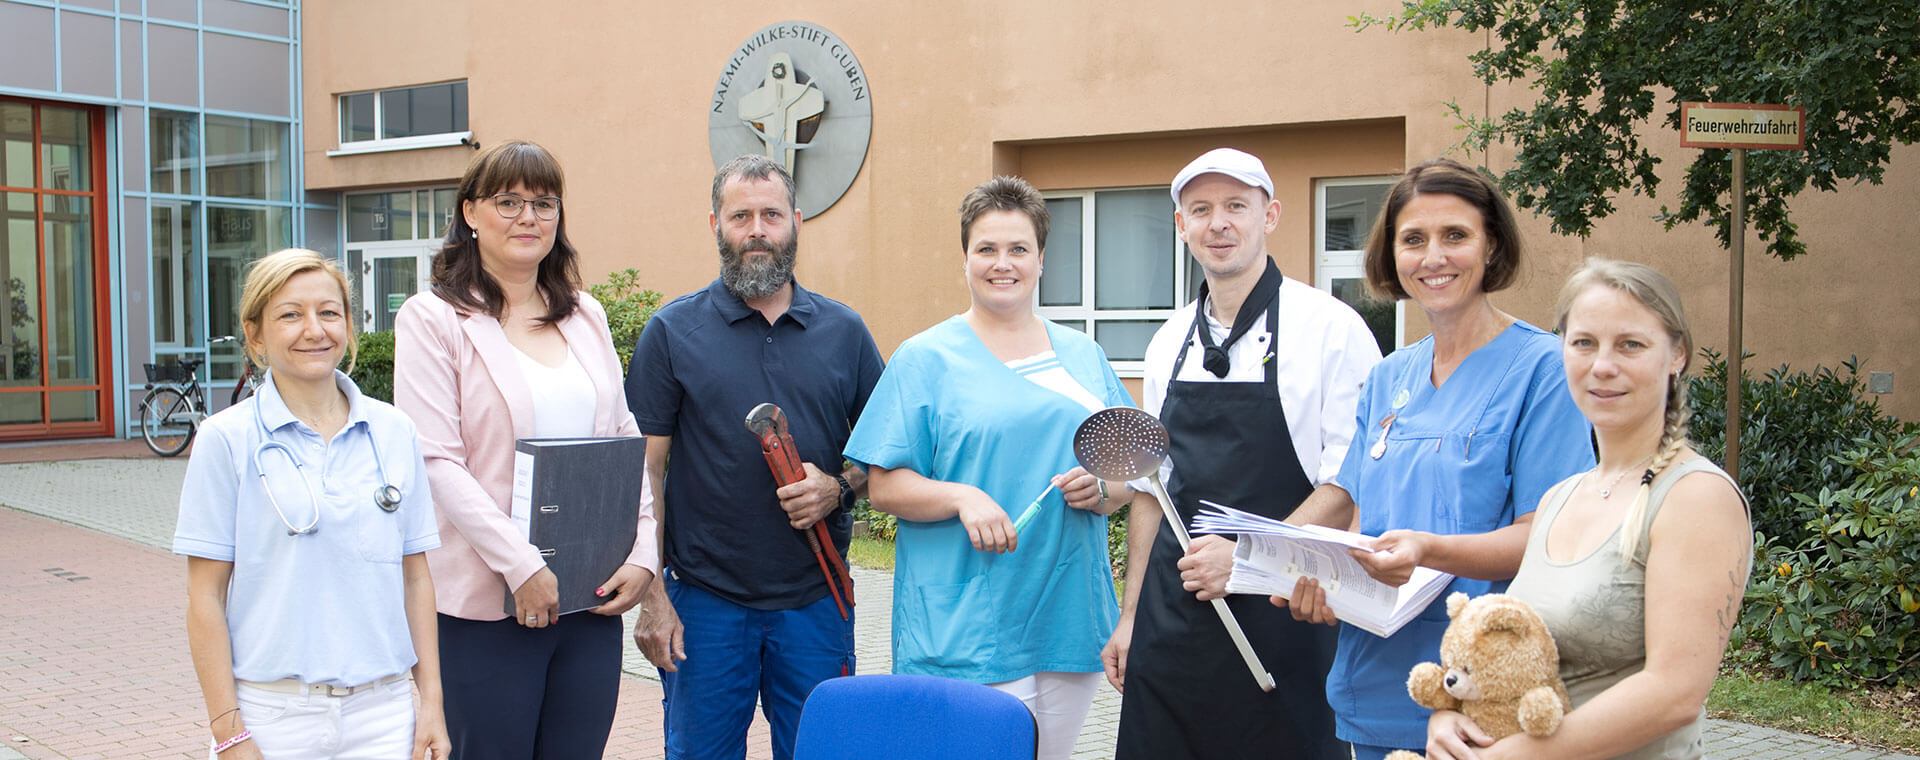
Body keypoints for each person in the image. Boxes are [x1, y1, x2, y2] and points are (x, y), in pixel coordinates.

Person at [1273, 157, 1596, 759]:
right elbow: (1363, 524)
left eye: (1456, 236)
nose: (1433, 257)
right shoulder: (1388, 377)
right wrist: (1324, 580)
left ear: (1491, 245)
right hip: (1374, 679)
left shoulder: (1544, 371)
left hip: (1484, 691)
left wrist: (1427, 549)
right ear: (1392, 255)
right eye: (1413, 240)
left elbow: (1547, 540)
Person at [843, 176, 1136, 760]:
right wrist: (960, 497)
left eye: (1018, 249)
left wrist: (1104, 487)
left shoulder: (1083, 356)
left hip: (1065, 612)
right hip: (965, 623)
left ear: (1042, 259)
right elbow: (882, 485)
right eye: (987, 249)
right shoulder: (925, 358)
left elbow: (1131, 473)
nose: (1003, 264)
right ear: (965, 259)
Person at [1104, 148, 1381, 760]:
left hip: (1287, 610)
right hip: (1174, 619)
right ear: (1182, 226)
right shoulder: (1167, 340)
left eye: (1236, 206)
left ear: (1270, 215)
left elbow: (1347, 484)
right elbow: (1153, 489)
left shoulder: (1333, 330)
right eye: (1200, 210)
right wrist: (1131, 618)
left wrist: (1251, 558)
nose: (1218, 223)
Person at [1423, 258, 1751, 759]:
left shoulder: (1695, 497)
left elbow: (1674, 694)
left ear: (1677, 355)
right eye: (1584, 343)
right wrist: (1449, 716)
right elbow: (1519, 655)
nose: (1603, 365)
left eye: (1631, 345)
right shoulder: (1560, 497)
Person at [393, 139, 657, 759]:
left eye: (543, 203)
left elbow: (623, 440)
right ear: (469, 213)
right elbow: (435, 462)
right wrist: (524, 567)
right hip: (485, 609)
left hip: (589, 602)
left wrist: (644, 551)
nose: (528, 218)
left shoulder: (585, 315)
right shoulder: (432, 319)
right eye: (507, 202)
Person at [625, 154, 884, 760]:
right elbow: (644, 473)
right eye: (740, 216)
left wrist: (838, 487)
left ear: (795, 221)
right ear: (715, 224)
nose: (757, 230)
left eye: (771, 214)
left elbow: (884, 456)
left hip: (817, 601)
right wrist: (653, 600)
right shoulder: (671, 332)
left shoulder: (844, 333)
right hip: (704, 605)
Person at [177, 248, 448, 759]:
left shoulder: (394, 431)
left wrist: (429, 702)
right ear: (255, 335)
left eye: (329, 312)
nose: (315, 329)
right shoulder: (226, 439)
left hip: (383, 713)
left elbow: (415, 578)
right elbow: (204, 598)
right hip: (273, 715)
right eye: (290, 315)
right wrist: (230, 733)